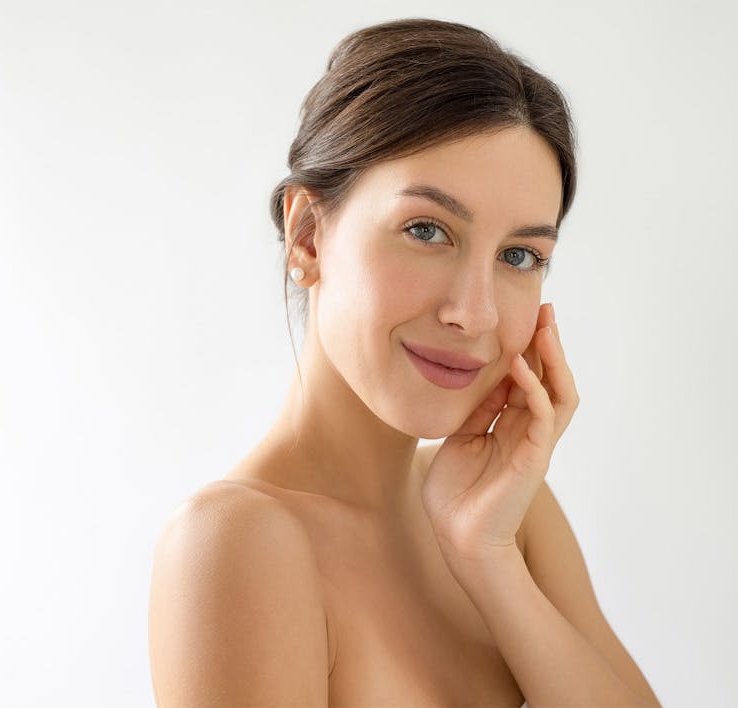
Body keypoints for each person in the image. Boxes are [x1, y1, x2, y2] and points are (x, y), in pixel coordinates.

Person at [148, 17, 661, 708]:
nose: (474, 313)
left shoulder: (510, 514)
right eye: (427, 230)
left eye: (519, 256)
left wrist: (487, 561)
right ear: (307, 237)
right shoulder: (237, 543)